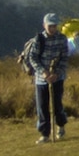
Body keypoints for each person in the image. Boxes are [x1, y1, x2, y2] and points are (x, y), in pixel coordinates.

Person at [30, 12, 69, 144]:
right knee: (42, 106)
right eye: (50, 26)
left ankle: (61, 125)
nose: (52, 28)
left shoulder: (62, 38)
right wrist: (44, 72)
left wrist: (56, 73)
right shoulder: (39, 39)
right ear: (44, 25)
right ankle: (44, 133)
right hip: (42, 79)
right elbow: (33, 58)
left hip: (57, 77)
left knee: (57, 104)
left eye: (54, 26)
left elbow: (64, 58)